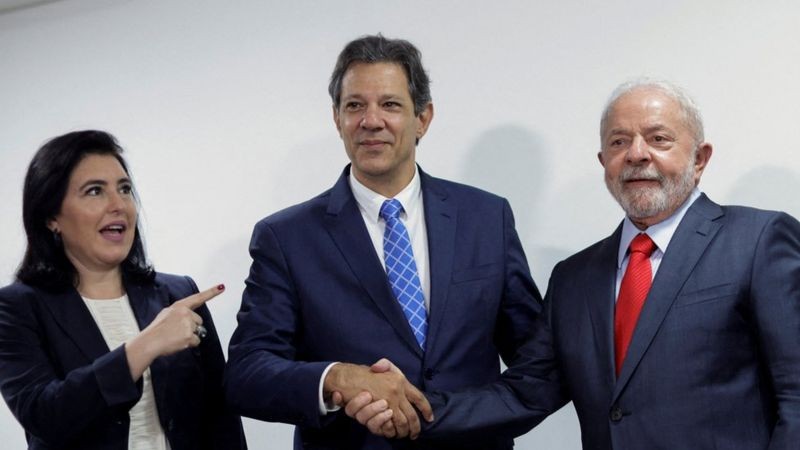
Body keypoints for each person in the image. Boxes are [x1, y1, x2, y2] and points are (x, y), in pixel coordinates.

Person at [351, 79, 800, 449]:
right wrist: (412, 411)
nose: (637, 154)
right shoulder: (574, 278)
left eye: (658, 139)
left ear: (700, 159)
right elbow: (526, 392)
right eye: (619, 142)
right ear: (605, 163)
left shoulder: (758, 240)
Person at [223, 34, 542, 450]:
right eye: (355, 105)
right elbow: (246, 373)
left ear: (423, 118)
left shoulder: (487, 218)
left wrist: (446, 414)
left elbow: (537, 364)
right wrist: (337, 379)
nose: (371, 121)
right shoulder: (285, 237)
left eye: (390, 104)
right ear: (337, 118)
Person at [0, 130, 247, 450]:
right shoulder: (17, 307)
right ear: (51, 217)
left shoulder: (178, 294)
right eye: (94, 191)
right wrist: (146, 344)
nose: (118, 205)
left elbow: (220, 421)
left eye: (125, 189)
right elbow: (45, 416)